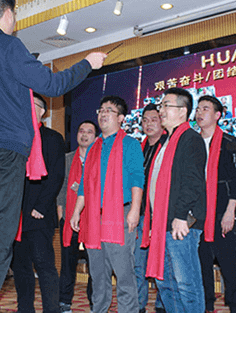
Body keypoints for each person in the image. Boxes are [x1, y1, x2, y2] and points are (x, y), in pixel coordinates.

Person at [0, 0, 106, 313]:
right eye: (15, 16)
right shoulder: (7, 46)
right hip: (4, 152)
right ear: (8, 14)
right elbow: (53, 85)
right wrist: (87, 64)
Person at [70, 96, 143, 313]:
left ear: (121, 118)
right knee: (97, 273)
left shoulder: (130, 144)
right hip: (94, 217)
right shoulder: (94, 147)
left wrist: (135, 210)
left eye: (109, 110)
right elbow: (84, 185)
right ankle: (99, 312)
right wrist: (76, 212)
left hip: (121, 214)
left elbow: (137, 178)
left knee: (123, 272)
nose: (103, 114)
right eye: (101, 110)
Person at [142, 88, 207, 313]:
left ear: (182, 111)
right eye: (161, 105)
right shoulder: (166, 142)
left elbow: (192, 182)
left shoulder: (190, 139)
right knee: (166, 283)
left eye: (165, 105)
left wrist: (180, 216)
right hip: (163, 223)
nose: (160, 110)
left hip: (180, 223)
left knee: (186, 283)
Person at [10, 93, 65, 312]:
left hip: (39, 214)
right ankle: (25, 311)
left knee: (44, 266)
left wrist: (41, 206)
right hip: (16, 215)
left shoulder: (52, 138)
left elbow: (56, 176)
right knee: (20, 267)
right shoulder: (16, 136)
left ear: (42, 111)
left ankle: (52, 311)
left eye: (30, 104)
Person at [194, 95, 236, 312]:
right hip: (198, 214)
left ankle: (234, 306)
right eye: (198, 109)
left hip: (222, 210)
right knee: (201, 263)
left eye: (205, 108)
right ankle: (206, 305)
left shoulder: (230, 143)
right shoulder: (191, 143)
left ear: (217, 115)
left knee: (229, 263)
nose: (199, 112)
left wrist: (230, 211)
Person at [58, 120, 97, 313]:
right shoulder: (67, 159)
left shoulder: (99, 160)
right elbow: (61, 188)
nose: (84, 134)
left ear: (95, 137)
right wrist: (61, 215)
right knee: (67, 263)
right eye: (81, 131)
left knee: (95, 265)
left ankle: (95, 303)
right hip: (68, 220)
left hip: (93, 221)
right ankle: (64, 302)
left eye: (89, 132)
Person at [133, 103, 168, 312]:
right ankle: (139, 306)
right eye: (145, 120)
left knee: (162, 264)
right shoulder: (139, 148)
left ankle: (162, 306)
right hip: (140, 214)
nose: (148, 124)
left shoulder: (169, 146)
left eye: (154, 119)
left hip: (161, 216)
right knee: (138, 264)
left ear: (162, 121)